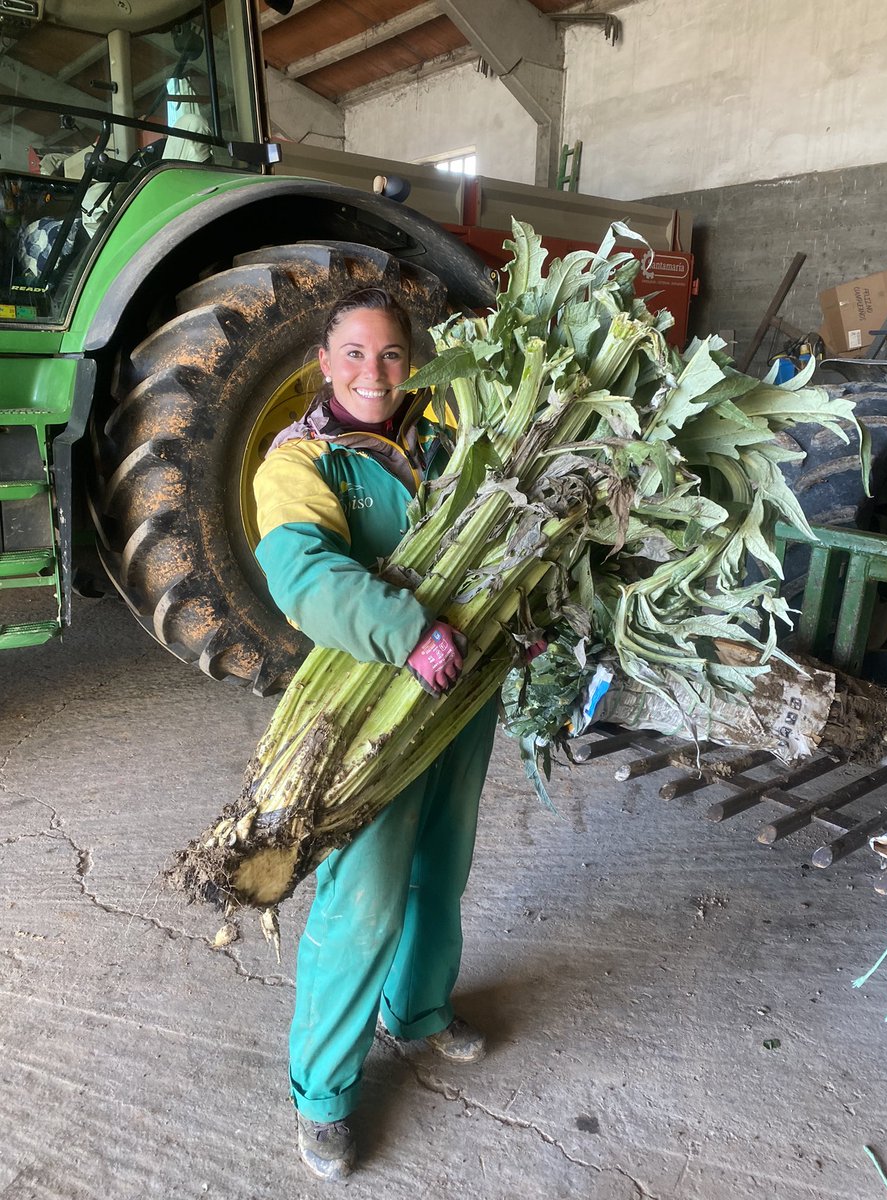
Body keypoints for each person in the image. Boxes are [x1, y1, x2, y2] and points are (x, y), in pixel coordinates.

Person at [252, 287, 499, 1182]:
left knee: (444, 868)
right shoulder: (299, 465)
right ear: (323, 363)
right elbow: (303, 575)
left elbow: (501, 550)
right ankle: (320, 1095)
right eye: (353, 354)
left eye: (391, 354)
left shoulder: (444, 445)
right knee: (363, 898)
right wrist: (407, 632)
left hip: (459, 697)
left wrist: (522, 620)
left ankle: (421, 1011)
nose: (373, 372)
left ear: (413, 364)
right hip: (370, 708)